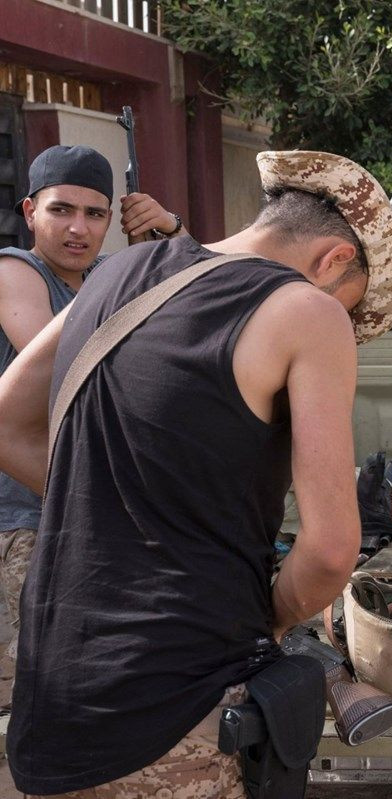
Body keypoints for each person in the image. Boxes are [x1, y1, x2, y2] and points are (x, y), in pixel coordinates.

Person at [0, 150, 392, 797]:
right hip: (177, 719)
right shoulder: (307, 311)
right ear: (332, 260)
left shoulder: (117, 274)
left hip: (53, 704)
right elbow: (331, 552)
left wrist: (123, 509)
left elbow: (7, 420)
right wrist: (272, 618)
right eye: (346, 303)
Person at [0, 144, 185, 664]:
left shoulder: (110, 275)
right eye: (61, 210)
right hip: (23, 524)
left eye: (95, 214)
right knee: (36, 683)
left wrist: (171, 235)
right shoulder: (16, 271)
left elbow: (208, 296)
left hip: (91, 512)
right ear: (31, 212)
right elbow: (67, 367)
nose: (78, 228)